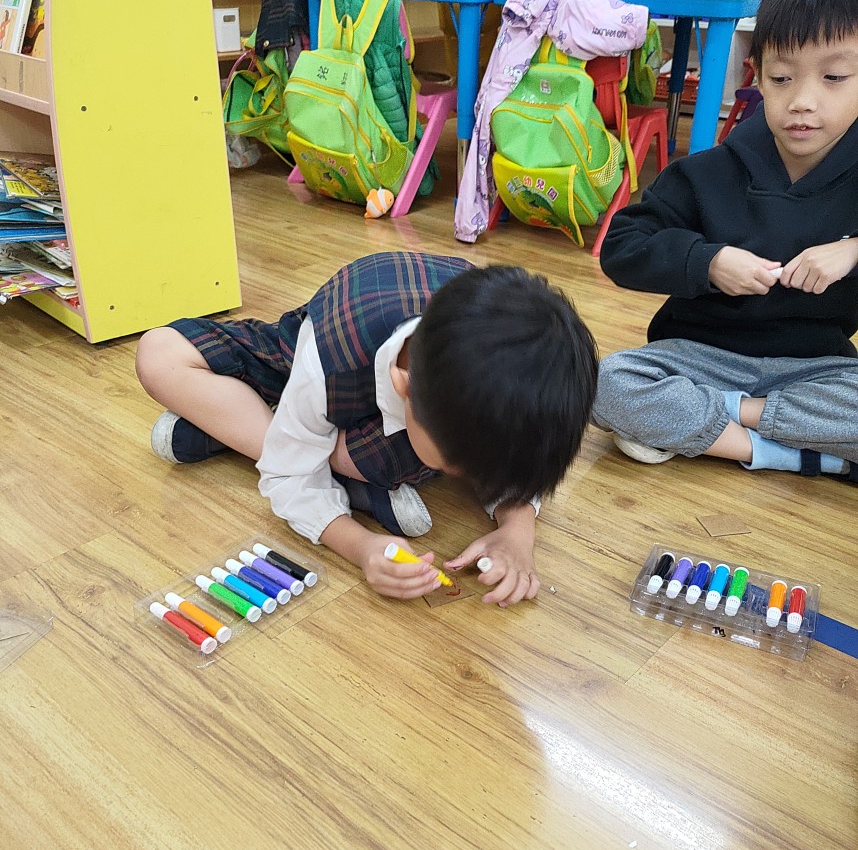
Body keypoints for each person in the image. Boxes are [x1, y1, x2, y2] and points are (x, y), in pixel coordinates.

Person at [136, 251, 598, 606]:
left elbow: (519, 444)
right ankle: (329, 467)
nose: (466, 482)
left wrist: (518, 529)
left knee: (328, 443)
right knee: (158, 353)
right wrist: (360, 546)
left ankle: (236, 430)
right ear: (404, 387)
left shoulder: (500, 356)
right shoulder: (328, 364)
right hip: (304, 360)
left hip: (358, 403)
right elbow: (290, 478)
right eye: (454, 469)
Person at [594, 0, 858, 484]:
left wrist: (853, 250)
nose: (803, 101)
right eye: (782, 78)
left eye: (834, 77)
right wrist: (707, 262)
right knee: (607, 383)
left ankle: (713, 428)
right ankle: (798, 453)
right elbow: (621, 246)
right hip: (698, 358)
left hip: (815, 369)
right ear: (756, 77)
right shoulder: (710, 171)